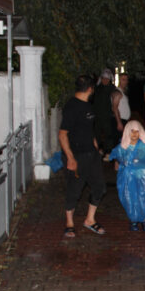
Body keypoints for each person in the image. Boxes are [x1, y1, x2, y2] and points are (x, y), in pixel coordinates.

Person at [59, 74, 107, 237]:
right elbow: (62, 134)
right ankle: (69, 223)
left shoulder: (88, 105)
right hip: (76, 155)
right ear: (90, 89)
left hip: (91, 154)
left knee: (99, 187)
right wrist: (70, 158)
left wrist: (95, 148)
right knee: (74, 189)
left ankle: (90, 220)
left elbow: (89, 129)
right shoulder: (72, 107)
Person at [109, 120, 145, 231]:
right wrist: (119, 161)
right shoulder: (123, 145)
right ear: (127, 132)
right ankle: (133, 219)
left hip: (142, 176)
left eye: (137, 131)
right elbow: (117, 155)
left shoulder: (144, 146)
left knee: (143, 196)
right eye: (132, 131)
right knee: (130, 197)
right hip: (127, 176)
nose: (135, 134)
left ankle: (144, 219)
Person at [93, 68, 117, 160]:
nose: (105, 80)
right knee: (97, 133)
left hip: (108, 116)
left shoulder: (112, 89)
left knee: (108, 134)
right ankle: (98, 150)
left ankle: (108, 152)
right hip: (98, 115)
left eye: (107, 79)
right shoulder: (97, 88)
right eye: (103, 78)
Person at [111, 73, 131, 141]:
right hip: (119, 120)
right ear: (119, 80)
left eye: (126, 80)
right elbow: (114, 108)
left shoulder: (123, 92)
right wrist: (119, 122)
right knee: (119, 143)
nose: (125, 81)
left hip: (124, 120)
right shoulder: (117, 92)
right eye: (123, 79)